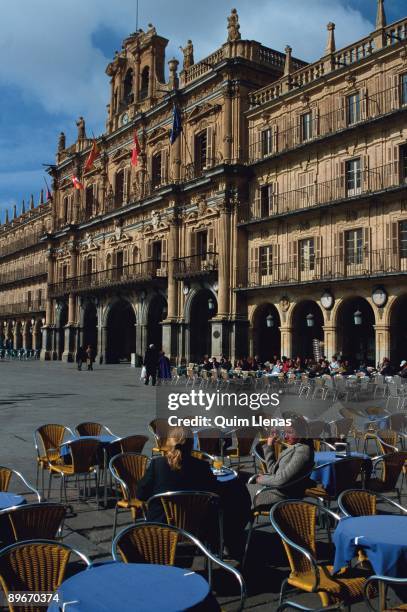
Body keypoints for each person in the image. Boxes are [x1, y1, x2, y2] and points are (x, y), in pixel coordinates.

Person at [136, 426, 218, 522]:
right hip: (194, 528)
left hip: (161, 528)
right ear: (191, 444)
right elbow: (214, 492)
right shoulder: (202, 466)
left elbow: (141, 494)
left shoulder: (157, 464)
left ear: (169, 443)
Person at [247, 419, 315, 507]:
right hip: (278, 490)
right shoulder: (292, 447)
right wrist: (269, 447)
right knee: (240, 487)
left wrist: (259, 479)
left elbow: (281, 480)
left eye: (290, 432)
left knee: (242, 496)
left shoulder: (303, 451)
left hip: (283, 496)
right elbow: (273, 471)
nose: (285, 437)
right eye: (284, 432)